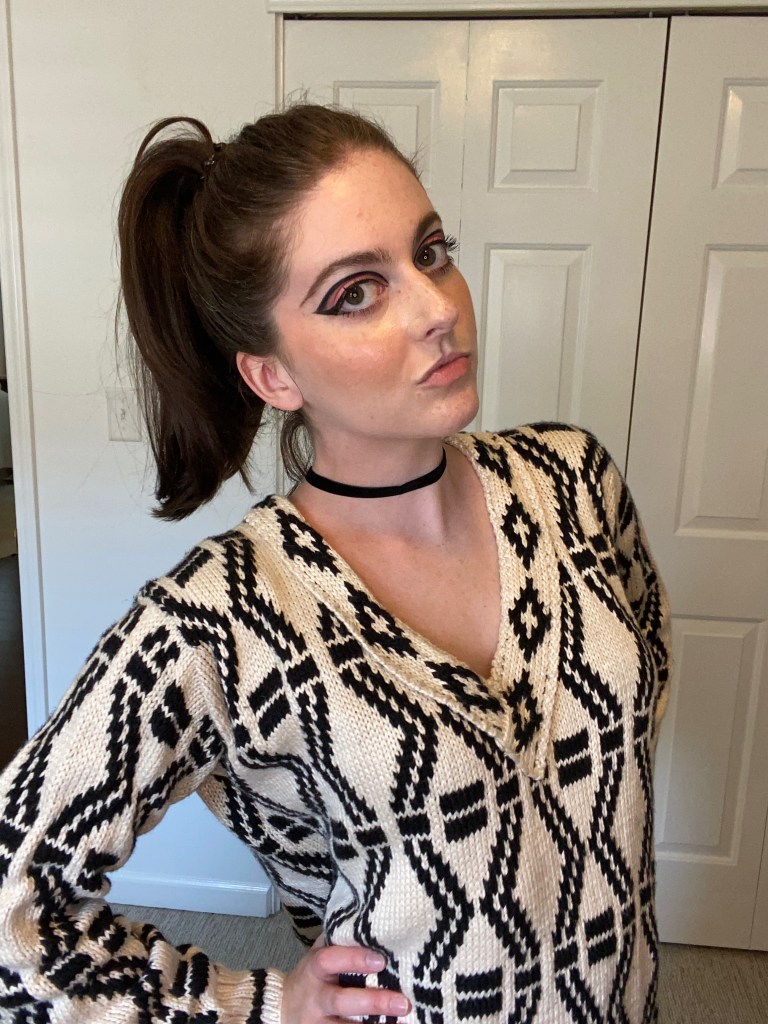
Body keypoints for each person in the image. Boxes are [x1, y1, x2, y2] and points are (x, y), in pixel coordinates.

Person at [0, 104, 670, 1024]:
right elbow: (13, 906)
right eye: (355, 293)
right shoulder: (223, 618)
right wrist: (257, 1003)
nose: (439, 309)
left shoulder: (572, 480)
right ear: (273, 376)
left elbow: (645, 666)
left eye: (430, 252)